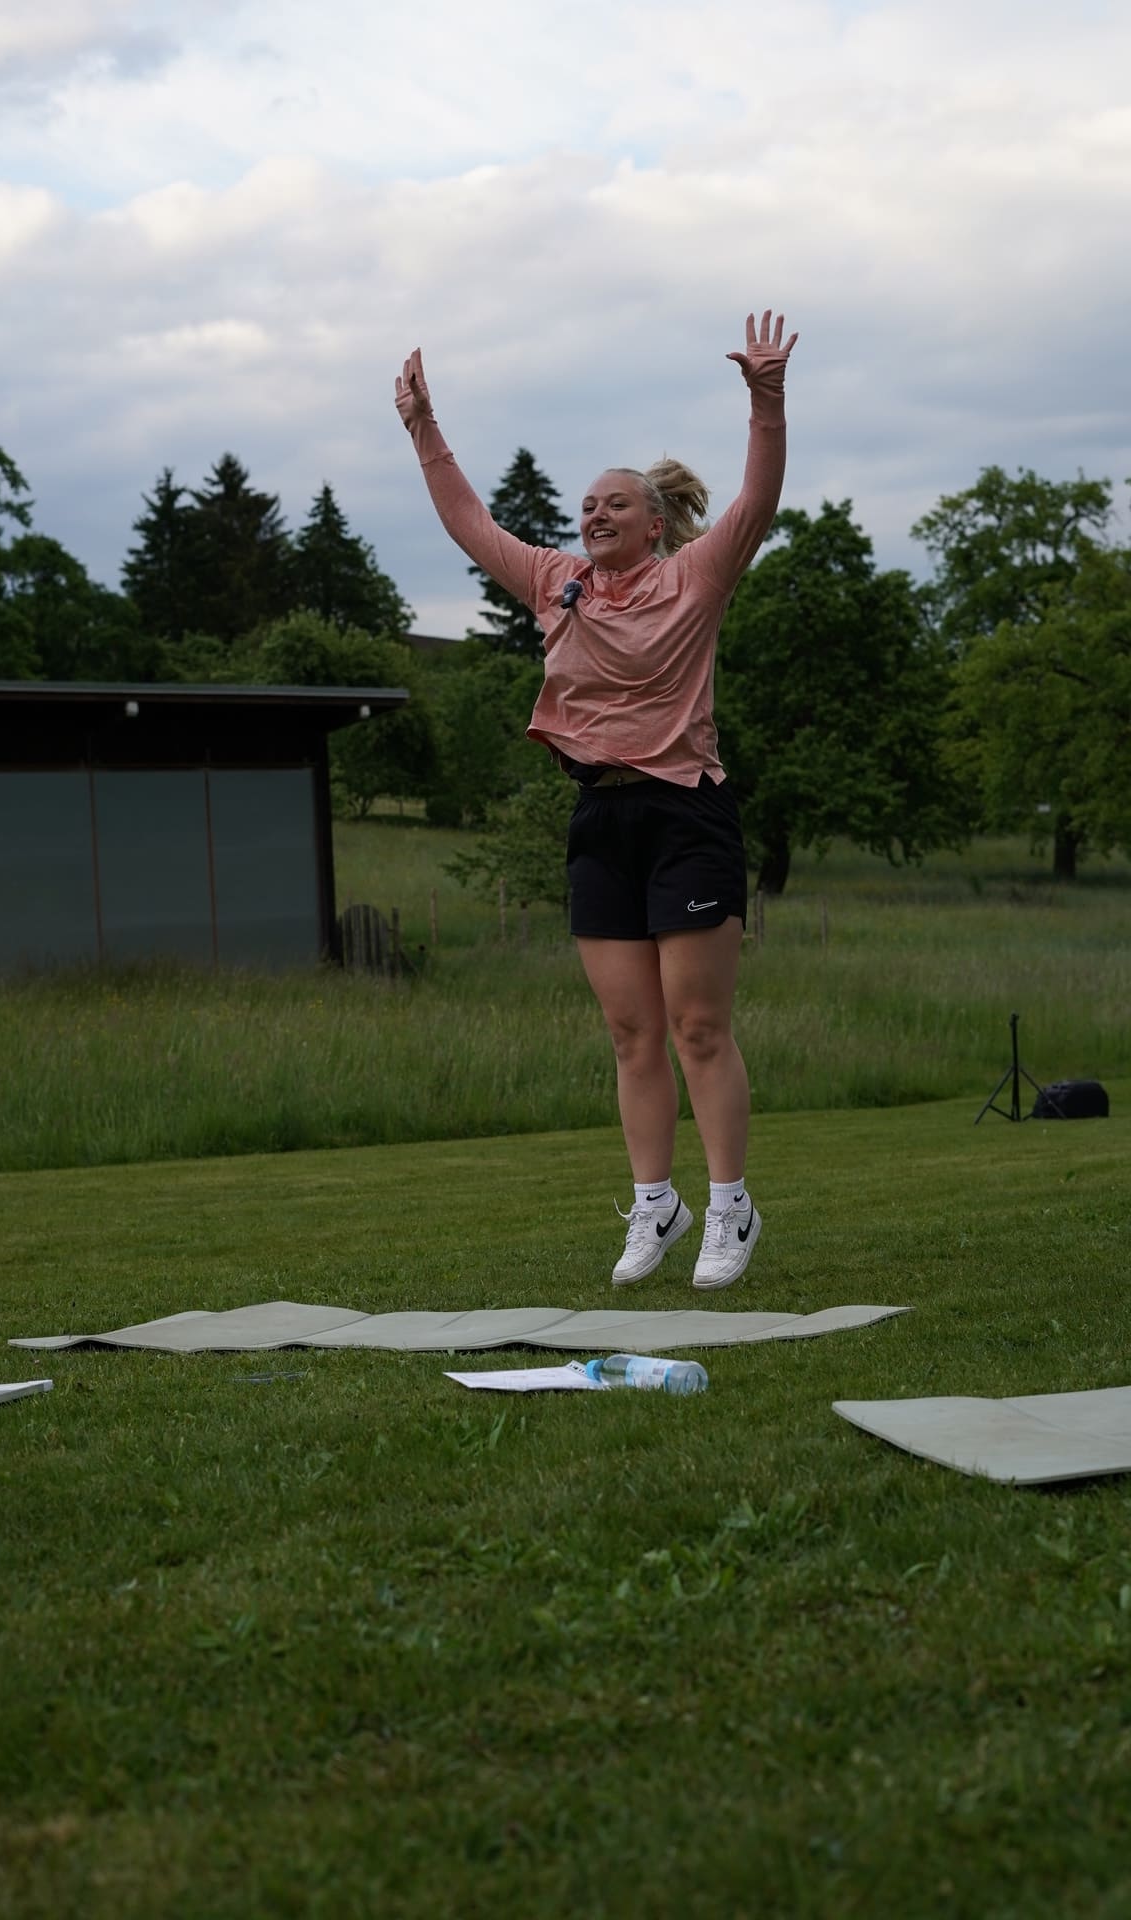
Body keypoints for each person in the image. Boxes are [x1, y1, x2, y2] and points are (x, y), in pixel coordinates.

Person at [395, 311, 796, 1290]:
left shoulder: (693, 577)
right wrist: (421, 428)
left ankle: (731, 1208)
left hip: (685, 815)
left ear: (653, 522)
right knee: (629, 1031)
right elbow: (465, 521)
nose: (592, 516)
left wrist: (764, 397)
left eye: (612, 505)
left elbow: (756, 498)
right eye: (585, 507)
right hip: (598, 821)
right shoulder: (554, 583)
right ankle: (655, 1204)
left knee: (696, 1024)